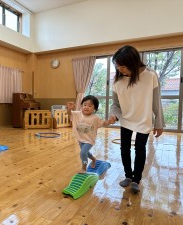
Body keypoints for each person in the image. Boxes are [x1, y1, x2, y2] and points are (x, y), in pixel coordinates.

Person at [109, 45, 165, 194]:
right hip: (126, 119)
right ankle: (128, 176)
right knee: (124, 149)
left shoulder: (150, 76)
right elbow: (115, 105)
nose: (120, 69)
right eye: (117, 66)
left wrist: (159, 123)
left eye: (123, 66)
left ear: (133, 63)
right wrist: (113, 115)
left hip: (144, 119)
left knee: (140, 149)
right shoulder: (117, 82)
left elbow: (156, 102)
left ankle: (136, 180)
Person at [67, 95, 112, 174]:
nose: (86, 107)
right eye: (84, 105)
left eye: (89, 106)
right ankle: (94, 159)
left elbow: (104, 123)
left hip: (89, 140)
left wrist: (109, 121)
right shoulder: (78, 114)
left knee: (83, 153)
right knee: (86, 153)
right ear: (81, 106)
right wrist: (69, 108)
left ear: (94, 108)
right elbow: (69, 114)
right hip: (80, 139)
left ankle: (84, 168)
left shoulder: (95, 118)